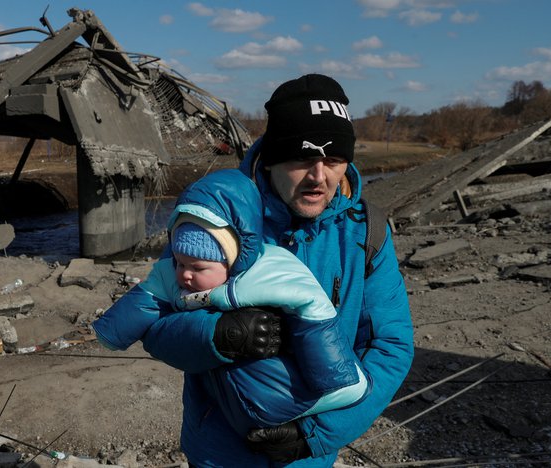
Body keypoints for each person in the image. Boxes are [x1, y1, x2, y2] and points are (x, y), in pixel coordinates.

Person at [116, 73, 414, 466]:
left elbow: (390, 346)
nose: (319, 177)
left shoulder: (366, 233)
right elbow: (154, 324)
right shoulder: (217, 214)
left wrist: (315, 435)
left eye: (334, 160)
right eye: (303, 159)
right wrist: (219, 336)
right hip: (220, 452)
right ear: (273, 157)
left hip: (310, 455)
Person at [92, 168, 371, 436]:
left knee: (299, 387)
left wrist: (335, 388)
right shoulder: (175, 270)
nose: (185, 275)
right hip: (217, 432)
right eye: (179, 263)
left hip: (285, 398)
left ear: (230, 259)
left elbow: (314, 311)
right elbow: (144, 305)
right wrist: (111, 333)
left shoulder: (267, 270)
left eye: (198, 268)